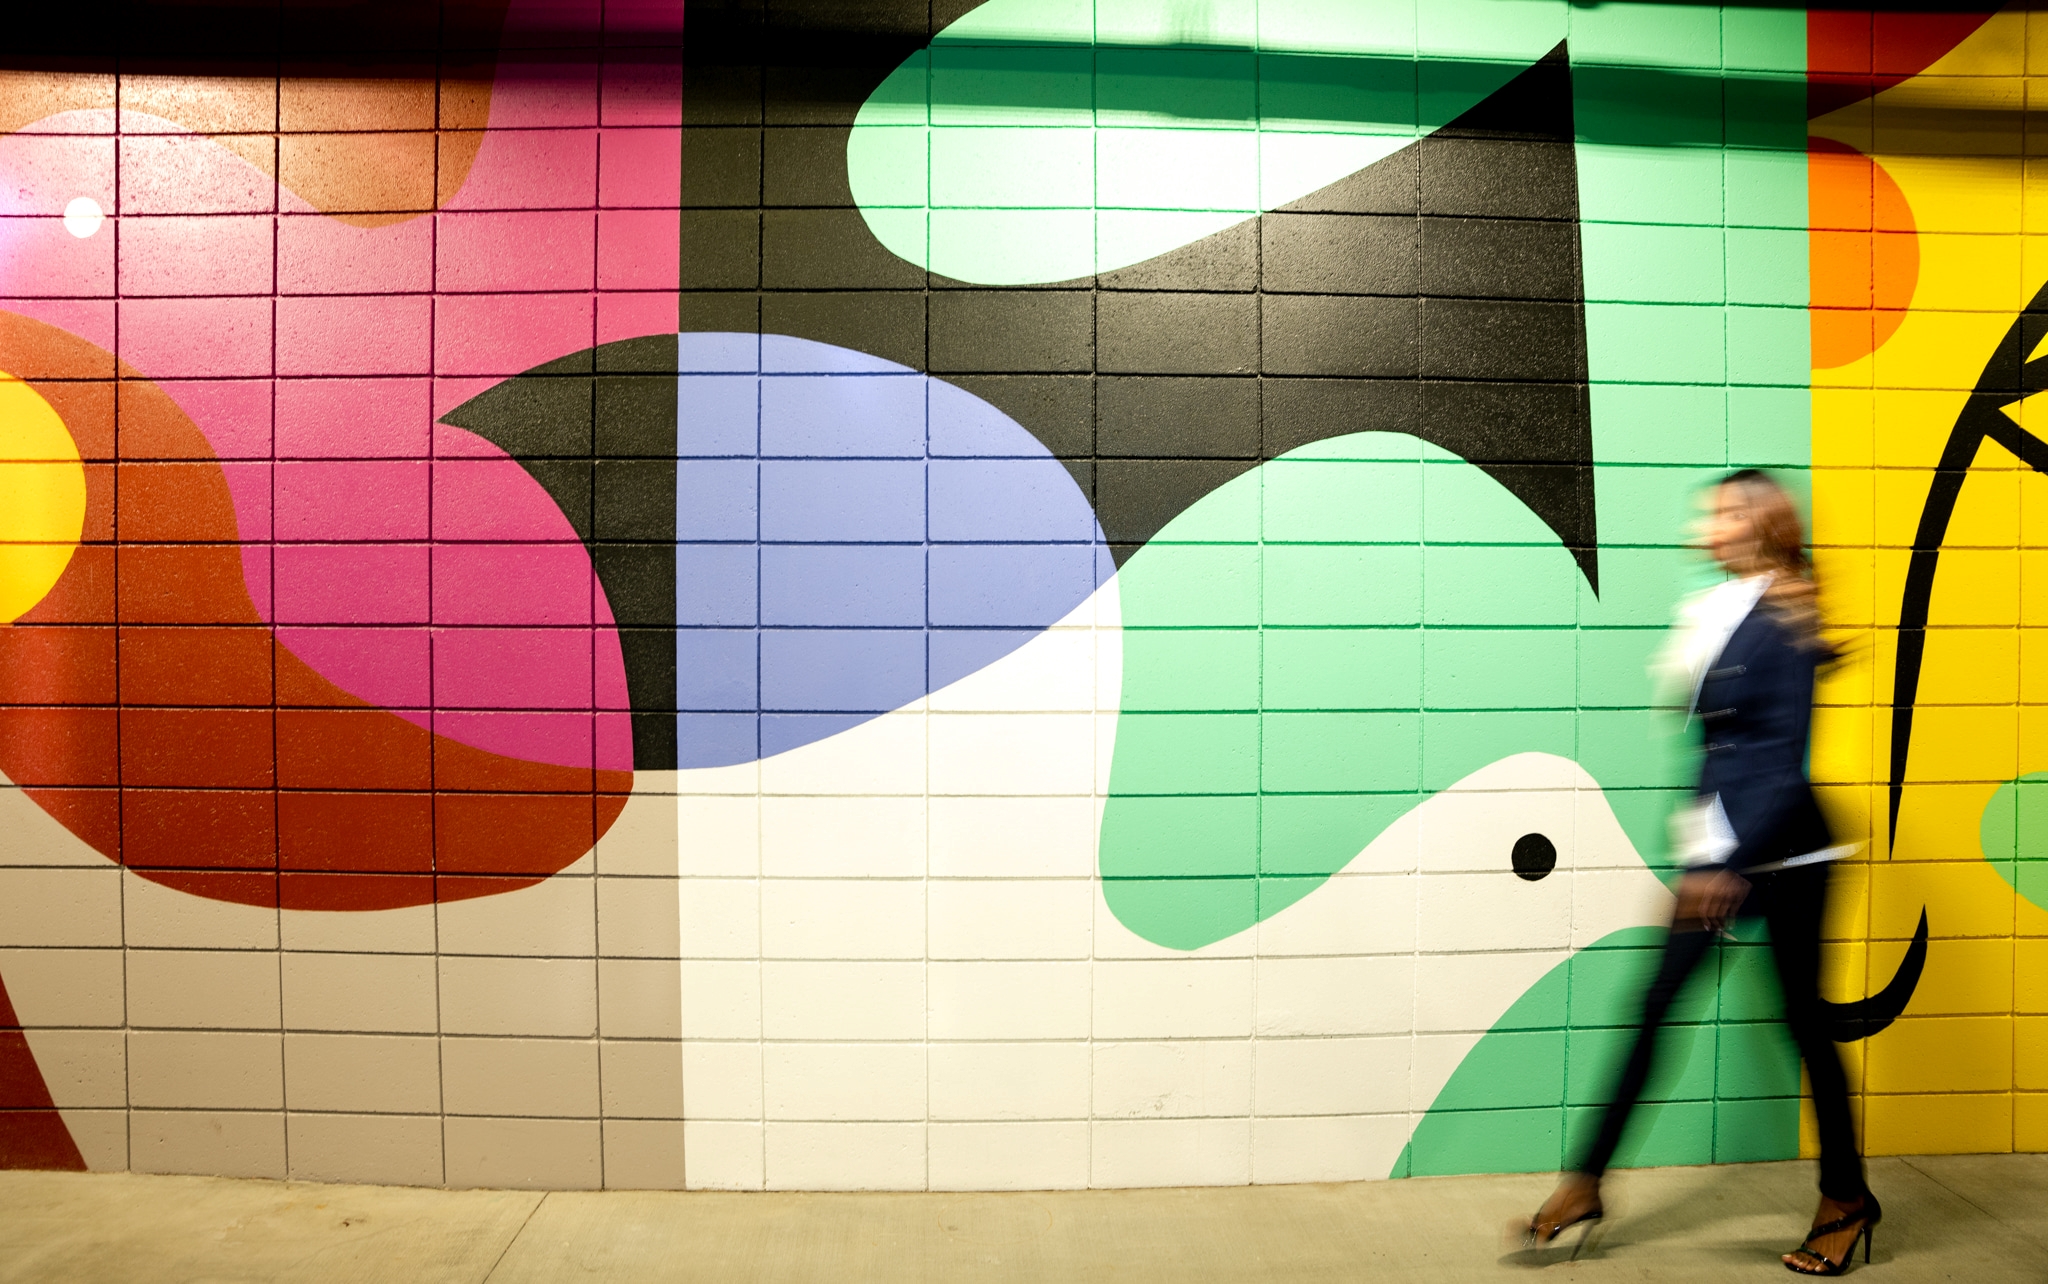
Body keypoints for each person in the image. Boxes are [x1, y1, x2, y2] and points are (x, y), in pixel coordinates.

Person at [1518, 470, 1877, 1275]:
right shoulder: (1721, 609)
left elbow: (1783, 762)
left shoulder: (1787, 617)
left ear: (1756, 522)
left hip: (1790, 850)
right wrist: (1697, 857)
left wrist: (1727, 868)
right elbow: (1714, 753)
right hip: (1729, 847)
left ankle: (1846, 1199)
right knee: (1654, 1003)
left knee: (1803, 1027)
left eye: (1718, 512)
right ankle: (1585, 1181)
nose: (1703, 525)